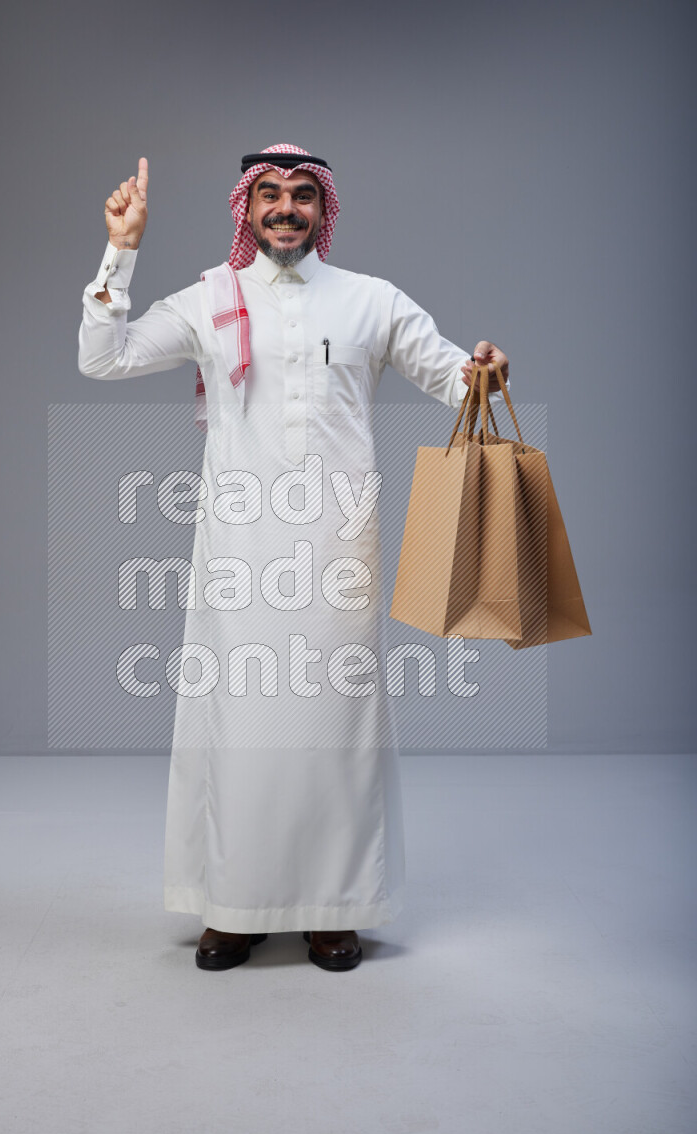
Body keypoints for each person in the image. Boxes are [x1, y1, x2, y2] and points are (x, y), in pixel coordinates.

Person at [78, 144, 509, 972]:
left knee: (333, 731)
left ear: (324, 209)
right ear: (246, 208)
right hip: (238, 551)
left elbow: (457, 381)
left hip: (339, 549)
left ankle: (332, 908)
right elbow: (105, 356)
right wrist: (120, 250)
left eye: (302, 195)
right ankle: (234, 907)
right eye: (269, 194)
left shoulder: (370, 302)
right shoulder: (212, 298)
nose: (285, 208)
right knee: (238, 727)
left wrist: (487, 371)